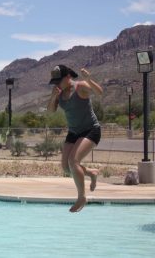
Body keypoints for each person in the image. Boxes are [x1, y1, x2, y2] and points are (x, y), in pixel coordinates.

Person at [47, 65, 103, 212]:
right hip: (74, 132)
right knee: (66, 168)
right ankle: (91, 173)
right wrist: (53, 97)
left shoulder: (80, 87)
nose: (56, 84)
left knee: (74, 161)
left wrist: (89, 80)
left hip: (91, 130)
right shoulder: (59, 93)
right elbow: (51, 111)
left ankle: (81, 197)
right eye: (54, 82)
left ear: (68, 77)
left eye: (58, 81)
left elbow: (100, 93)